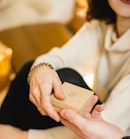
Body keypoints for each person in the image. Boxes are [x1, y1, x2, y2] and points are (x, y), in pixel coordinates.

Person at [0, 0, 130, 138]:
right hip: (97, 120)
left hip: (113, 132)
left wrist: (20, 136)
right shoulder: (103, 24)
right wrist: (41, 70)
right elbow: (60, 57)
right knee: (38, 72)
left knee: (65, 78)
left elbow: (106, 127)